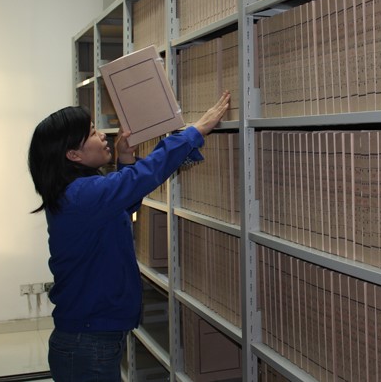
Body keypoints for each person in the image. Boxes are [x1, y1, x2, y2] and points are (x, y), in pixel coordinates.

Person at [27, 91, 230, 381]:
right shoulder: (82, 195)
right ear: (73, 155)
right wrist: (195, 131)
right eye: (93, 133)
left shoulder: (78, 192)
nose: (103, 136)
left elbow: (122, 205)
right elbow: (142, 177)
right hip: (87, 342)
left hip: (90, 336)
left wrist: (125, 158)